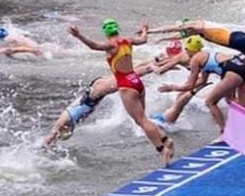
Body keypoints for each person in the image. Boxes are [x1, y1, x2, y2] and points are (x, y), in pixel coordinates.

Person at [67, 19, 174, 163]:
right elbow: (143, 40)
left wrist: (79, 36)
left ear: (105, 32)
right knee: (143, 119)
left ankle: (162, 149)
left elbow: (94, 46)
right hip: (136, 81)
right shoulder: (127, 40)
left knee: (141, 121)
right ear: (117, 29)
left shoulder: (110, 45)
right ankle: (165, 140)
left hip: (125, 85)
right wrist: (144, 29)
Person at [43, 43, 187, 143]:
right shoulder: (73, 117)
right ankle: (152, 63)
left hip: (96, 91)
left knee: (130, 74)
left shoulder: (71, 117)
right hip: (97, 90)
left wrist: (157, 65)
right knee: (131, 73)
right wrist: (159, 65)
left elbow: (138, 70)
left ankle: (44, 146)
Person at [155, 34, 245, 127]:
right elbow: (201, 81)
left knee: (210, 102)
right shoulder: (206, 54)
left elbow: (191, 84)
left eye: (187, 50)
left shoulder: (195, 59)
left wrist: (173, 87)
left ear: (189, 50)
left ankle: (223, 132)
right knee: (243, 107)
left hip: (232, 72)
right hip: (241, 67)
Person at [148, 20, 245, 90]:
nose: (185, 31)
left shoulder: (197, 26)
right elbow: (177, 34)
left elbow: (173, 29)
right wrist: (162, 38)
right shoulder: (198, 31)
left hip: (236, 40)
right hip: (236, 38)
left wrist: (152, 31)